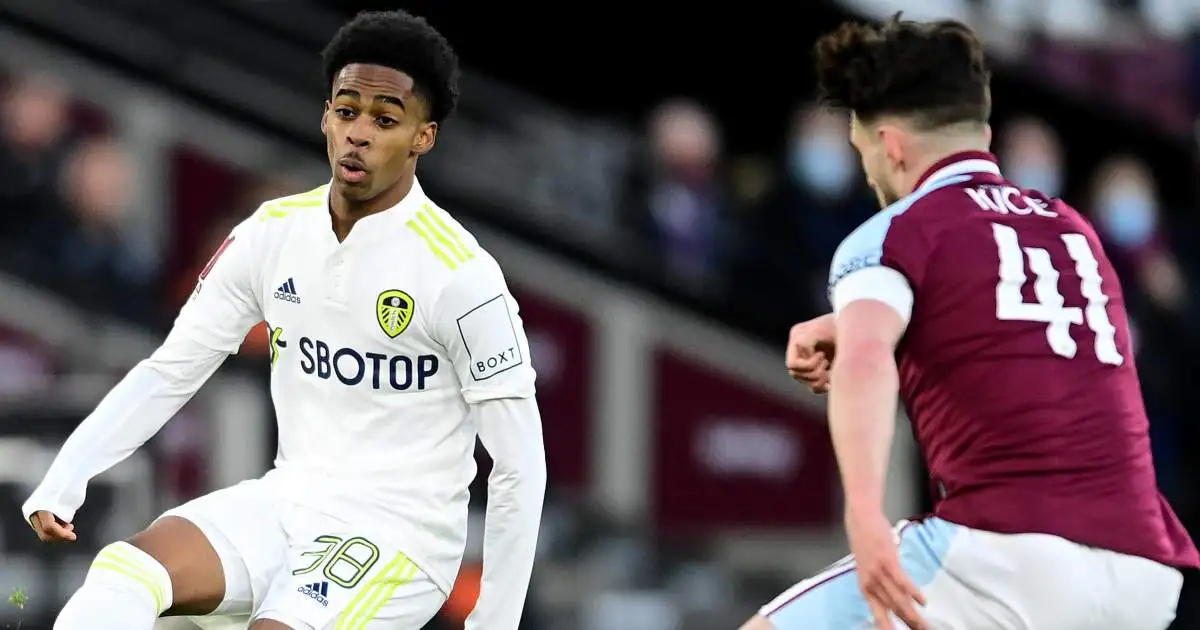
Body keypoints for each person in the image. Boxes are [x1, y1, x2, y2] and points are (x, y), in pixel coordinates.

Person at [23, 10, 547, 630]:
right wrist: (69, 473)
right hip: (287, 499)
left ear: (422, 137)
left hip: (399, 538)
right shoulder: (271, 234)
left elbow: (520, 463)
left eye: (385, 120)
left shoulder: (462, 275)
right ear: (325, 115)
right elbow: (172, 368)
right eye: (347, 111)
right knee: (122, 573)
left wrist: (497, 621)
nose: (358, 134)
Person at [743, 14, 1199, 630]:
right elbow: (1017, 330)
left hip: (1006, 554)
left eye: (861, 151)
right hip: (1142, 574)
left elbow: (868, 361)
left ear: (891, 144)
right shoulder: (1073, 230)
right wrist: (844, 323)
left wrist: (867, 520)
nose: (868, 174)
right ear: (982, 132)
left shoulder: (891, 234)